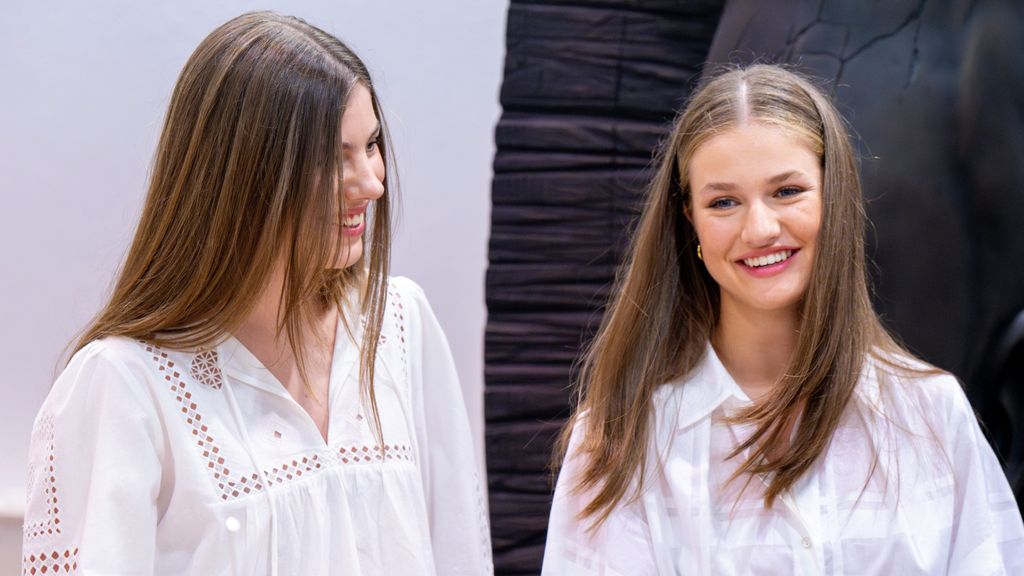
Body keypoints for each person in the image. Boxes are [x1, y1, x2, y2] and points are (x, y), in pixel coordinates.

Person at [22, 12, 492, 576]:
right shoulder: (123, 386)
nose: (372, 182)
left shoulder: (401, 325)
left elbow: (460, 551)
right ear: (245, 177)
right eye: (334, 156)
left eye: (370, 145)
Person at [541, 65, 1024, 575]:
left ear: (833, 194)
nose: (760, 228)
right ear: (690, 220)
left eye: (787, 191)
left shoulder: (929, 414)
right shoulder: (620, 441)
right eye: (723, 201)